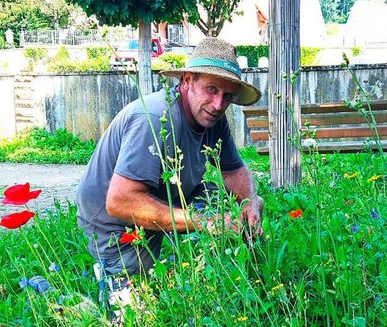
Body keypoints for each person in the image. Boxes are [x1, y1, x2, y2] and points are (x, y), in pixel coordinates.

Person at [76, 37, 264, 308]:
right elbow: (119, 202)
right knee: (134, 317)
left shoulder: (213, 117)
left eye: (227, 96)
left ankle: (218, 281)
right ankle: (71, 294)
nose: (218, 104)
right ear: (187, 80)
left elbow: (233, 170)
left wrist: (250, 203)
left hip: (166, 198)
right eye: (211, 89)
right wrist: (203, 222)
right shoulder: (155, 118)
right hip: (115, 222)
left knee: (224, 203)